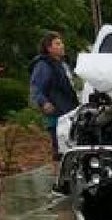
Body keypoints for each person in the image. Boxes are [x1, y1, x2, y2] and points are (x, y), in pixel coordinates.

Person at [29, 31, 80, 161]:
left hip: (69, 112)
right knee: (60, 151)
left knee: (72, 148)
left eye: (61, 43)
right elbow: (36, 87)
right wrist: (44, 103)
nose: (62, 46)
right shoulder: (43, 65)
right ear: (49, 48)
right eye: (57, 44)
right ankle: (58, 177)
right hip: (57, 115)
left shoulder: (62, 64)